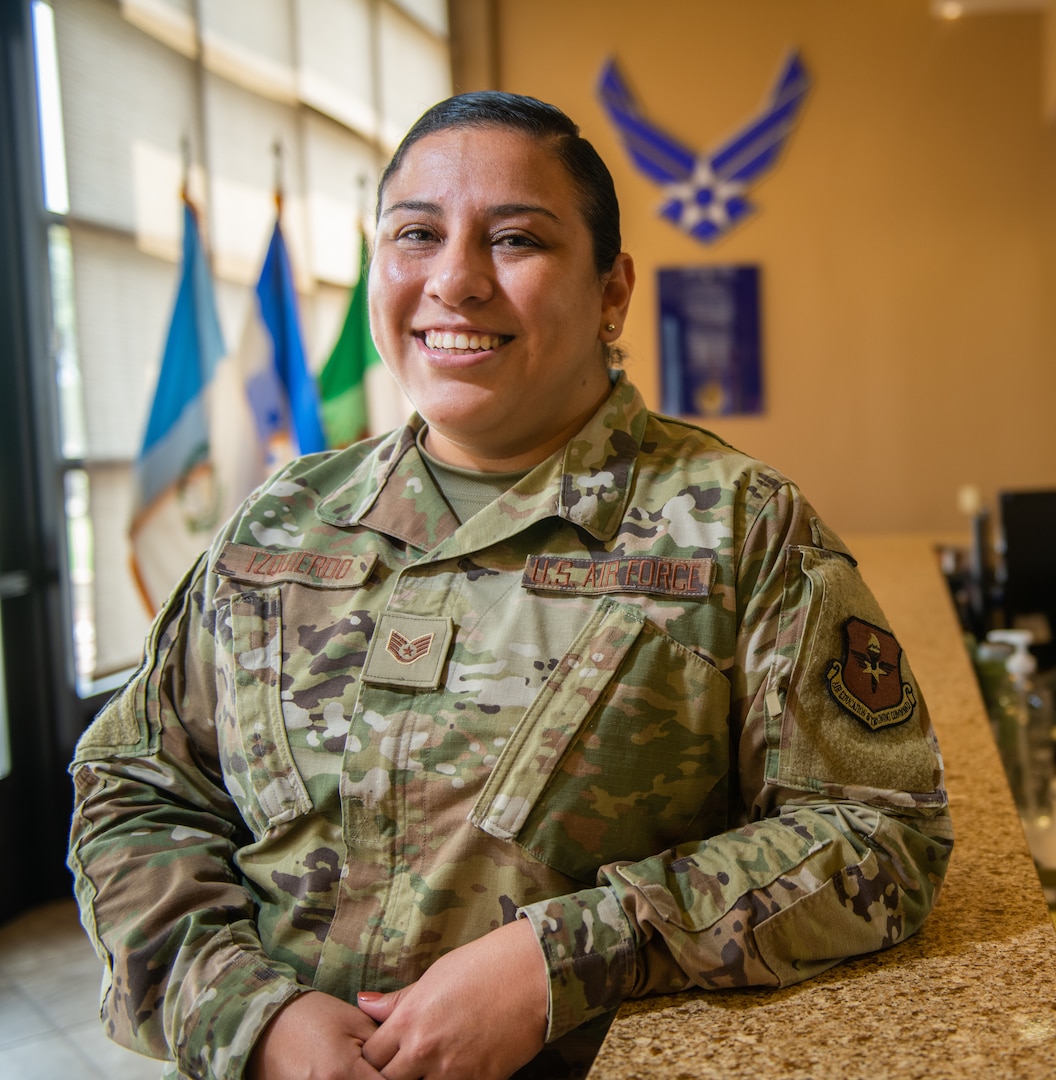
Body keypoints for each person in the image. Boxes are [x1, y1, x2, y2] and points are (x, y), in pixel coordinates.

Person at [68, 91, 952, 1080]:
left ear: (612, 292)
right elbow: (136, 791)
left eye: (516, 240)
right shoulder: (276, 524)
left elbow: (882, 833)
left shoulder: (740, 531)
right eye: (415, 234)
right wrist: (249, 1015)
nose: (455, 280)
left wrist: (564, 958)